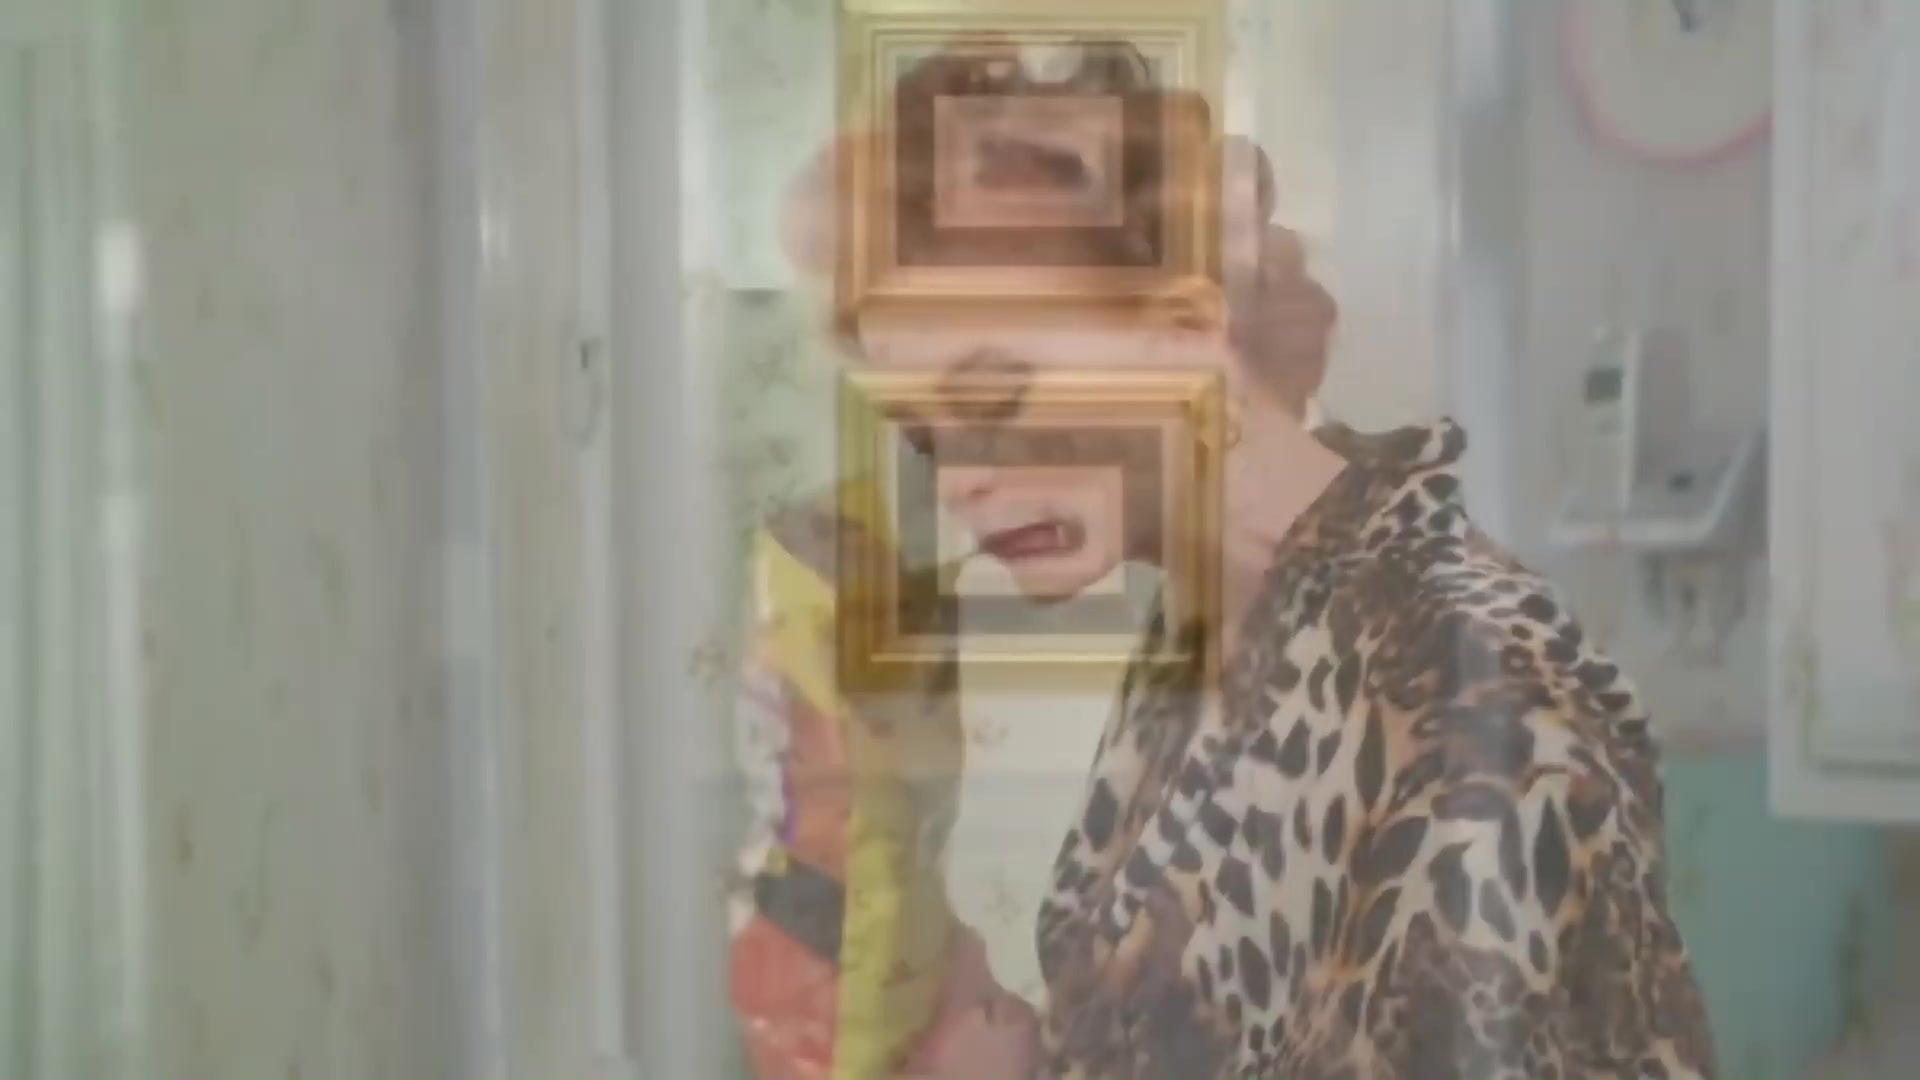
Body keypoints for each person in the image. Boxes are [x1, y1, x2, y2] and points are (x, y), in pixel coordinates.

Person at [729, 38, 1719, 1080]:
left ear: (1185, 333)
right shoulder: (1211, 630)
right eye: (928, 435)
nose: (961, 480)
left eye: (994, 393)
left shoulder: (1462, 698)